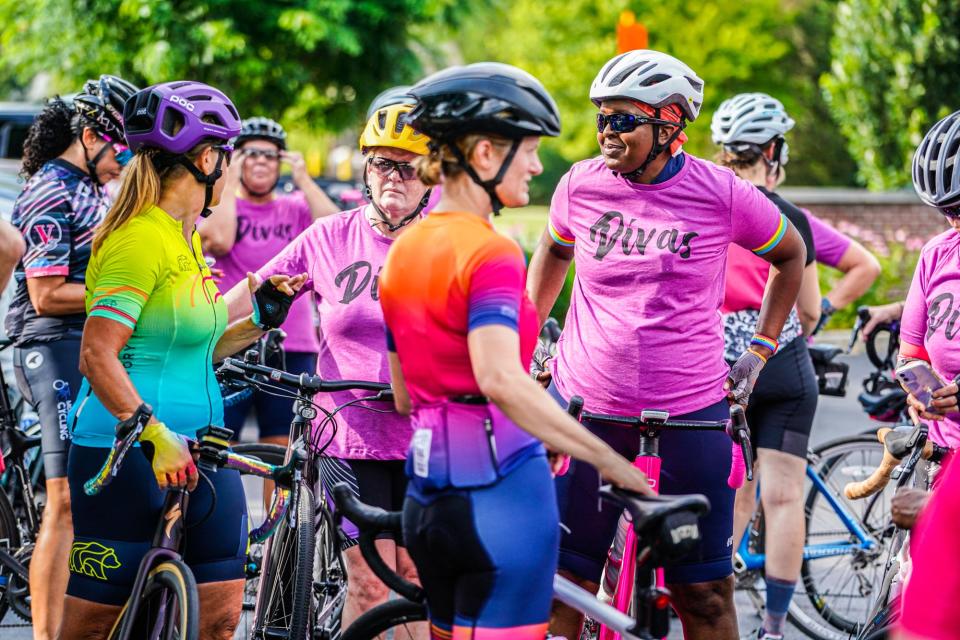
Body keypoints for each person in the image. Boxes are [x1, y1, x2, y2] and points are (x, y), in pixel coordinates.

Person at [525, 50, 807, 640]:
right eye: (601, 117)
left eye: (623, 119)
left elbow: (790, 256)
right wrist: (529, 341)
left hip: (689, 418)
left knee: (702, 598)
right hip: (583, 414)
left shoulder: (720, 192)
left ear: (670, 123)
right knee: (562, 593)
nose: (607, 131)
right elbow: (554, 249)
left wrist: (759, 348)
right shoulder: (579, 183)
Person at [378, 61, 651, 640]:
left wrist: (537, 428)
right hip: (500, 500)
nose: (535, 164)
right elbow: (501, 379)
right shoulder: (491, 252)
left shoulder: (402, 251)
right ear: (483, 155)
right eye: (527, 149)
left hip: (428, 500)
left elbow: (406, 396)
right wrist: (612, 463)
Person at [61, 81, 303, 639]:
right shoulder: (138, 239)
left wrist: (260, 320)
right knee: (94, 625)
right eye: (227, 154)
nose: (230, 167)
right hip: (125, 447)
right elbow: (97, 354)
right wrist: (150, 431)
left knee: (219, 616)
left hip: (202, 443)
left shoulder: (184, 238)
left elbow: (196, 349)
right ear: (206, 158)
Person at [224, 100, 433, 633]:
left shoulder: (446, 240)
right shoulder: (330, 237)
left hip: (428, 436)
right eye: (382, 163)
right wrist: (182, 330)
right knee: (369, 580)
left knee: (416, 579)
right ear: (365, 168)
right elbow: (246, 298)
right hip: (347, 432)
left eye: (408, 166)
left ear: (432, 173)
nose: (394, 177)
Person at [5, 74, 137, 640]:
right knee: (63, 501)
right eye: (120, 147)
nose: (124, 159)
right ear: (88, 136)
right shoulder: (51, 190)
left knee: (100, 491)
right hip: (44, 341)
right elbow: (46, 293)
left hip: (84, 340)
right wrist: (131, 295)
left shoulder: (94, 189)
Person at [712, 92, 821, 640]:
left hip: (727, 368)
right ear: (772, 149)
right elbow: (811, 309)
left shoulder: (709, 205)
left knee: (734, 494)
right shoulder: (790, 215)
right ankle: (775, 629)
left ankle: (717, 617)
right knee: (783, 499)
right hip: (785, 361)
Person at [199, 116, 337, 447]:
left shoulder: (296, 207)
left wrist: (303, 179)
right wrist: (229, 178)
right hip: (232, 338)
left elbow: (336, 232)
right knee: (216, 443)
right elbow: (218, 240)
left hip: (291, 344)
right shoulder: (222, 204)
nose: (261, 161)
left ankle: (275, 503)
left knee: (280, 451)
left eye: (270, 155)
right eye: (251, 154)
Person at [894, 108, 960, 451]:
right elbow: (912, 357)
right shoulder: (936, 254)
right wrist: (921, 396)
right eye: (947, 211)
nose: (954, 222)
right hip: (946, 455)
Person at [804, 212, 881, 334]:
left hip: (787, 343)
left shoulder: (792, 218)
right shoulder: (789, 216)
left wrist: (823, 309)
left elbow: (867, 266)